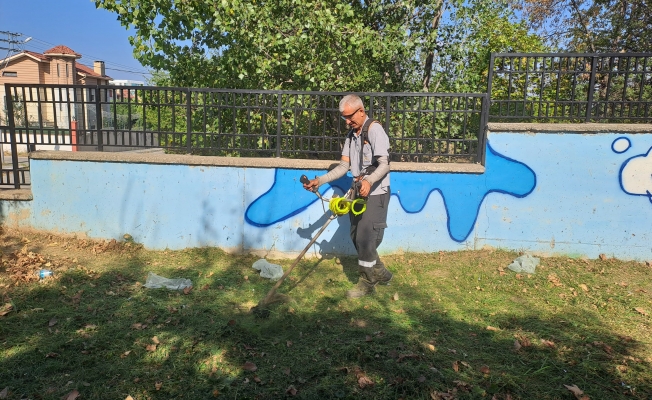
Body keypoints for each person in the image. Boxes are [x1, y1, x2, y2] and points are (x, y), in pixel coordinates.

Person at [303, 94, 392, 298]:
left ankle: (368, 281)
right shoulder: (352, 136)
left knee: (365, 237)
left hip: (376, 192)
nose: (347, 122)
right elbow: (344, 165)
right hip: (358, 191)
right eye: (344, 118)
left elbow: (385, 164)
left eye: (350, 117)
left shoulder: (375, 130)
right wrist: (321, 180)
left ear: (361, 111)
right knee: (355, 235)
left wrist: (369, 181)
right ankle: (381, 272)